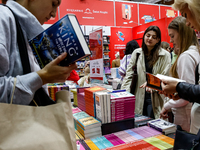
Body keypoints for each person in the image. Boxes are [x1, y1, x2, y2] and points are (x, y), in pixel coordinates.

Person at [0, 0, 77, 104]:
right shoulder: (3, 17)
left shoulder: (27, 32)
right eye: (53, 4)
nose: (54, 14)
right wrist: (42, 77)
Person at [159, 16, 200, 132]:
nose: (171, 41)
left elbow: (188, 94)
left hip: (186, 117)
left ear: (183, 34)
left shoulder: (186, 56)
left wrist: (167, 105)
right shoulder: (195, 52)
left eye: (172, 36)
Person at [121, 26, 171, 119]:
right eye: (148, 35)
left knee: (155, 124)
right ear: (144, 36)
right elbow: (129, 75)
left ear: (158, 40)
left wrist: (152, 84)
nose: (150, 39)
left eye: (154, 37)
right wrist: (125, 95)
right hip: (139, 95)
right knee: (139, 123)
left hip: (155, 96)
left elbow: (165, 75)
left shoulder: (165, 55)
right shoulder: (137, 53)